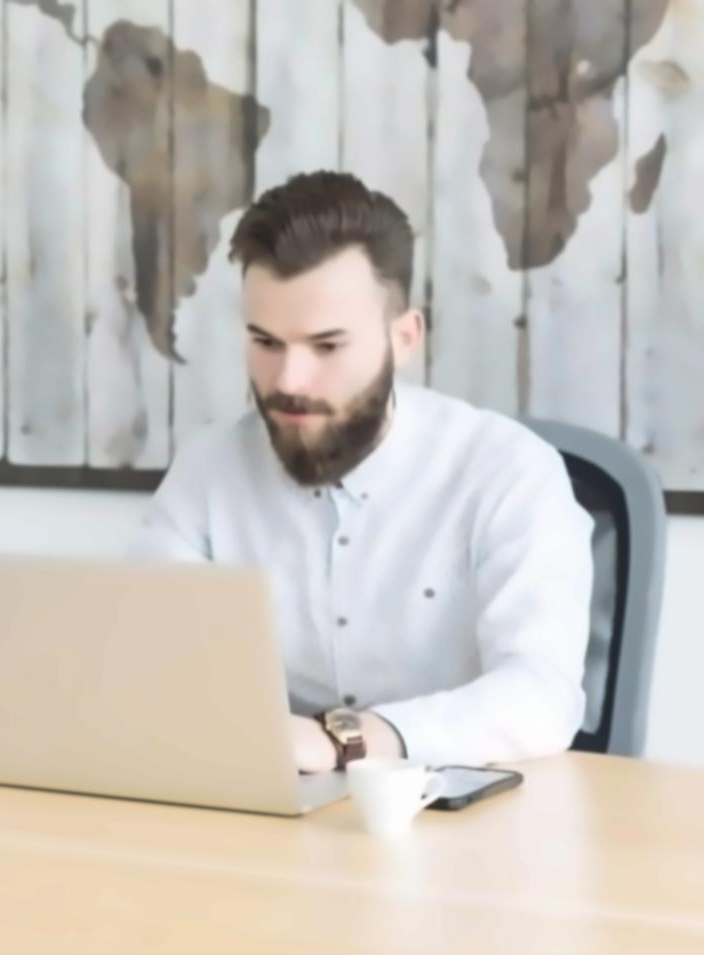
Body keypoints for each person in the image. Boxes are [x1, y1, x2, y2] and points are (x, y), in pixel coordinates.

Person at [132, 171, 593, 771]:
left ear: (404, 338)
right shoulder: (207, 470)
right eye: (266, 342)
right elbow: (143, 662)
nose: (289, 381)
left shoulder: (508, 471)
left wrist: (342, 739)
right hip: (260, 819)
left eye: (326, 346)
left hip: (467, 828)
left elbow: (541, 696)